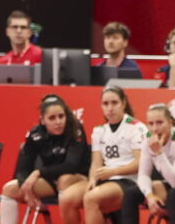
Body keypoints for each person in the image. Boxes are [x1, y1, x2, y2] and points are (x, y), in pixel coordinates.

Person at [54, 86, 148, 224]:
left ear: (123, 103)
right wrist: (92, 180)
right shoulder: (99, 131)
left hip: (130, 181)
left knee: (91, 198)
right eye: (106, 104)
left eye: (114, 103)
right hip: (106, 179)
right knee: (66, 199)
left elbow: (141, 163)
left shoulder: (136, 127)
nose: (110, 108)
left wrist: (113, 171)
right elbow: (96, 163)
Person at [0, 95, 89, 224]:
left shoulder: (75, 128)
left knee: (65, 179)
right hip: (52, 180)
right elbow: (22, 169)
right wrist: (27, 190)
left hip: (79, 177)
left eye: (61, 116)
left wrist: (39, 172)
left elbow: (71, 165)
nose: (58, 122)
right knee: (9, 188)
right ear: (42, 120)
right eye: (52, 118)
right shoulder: (35, 134)